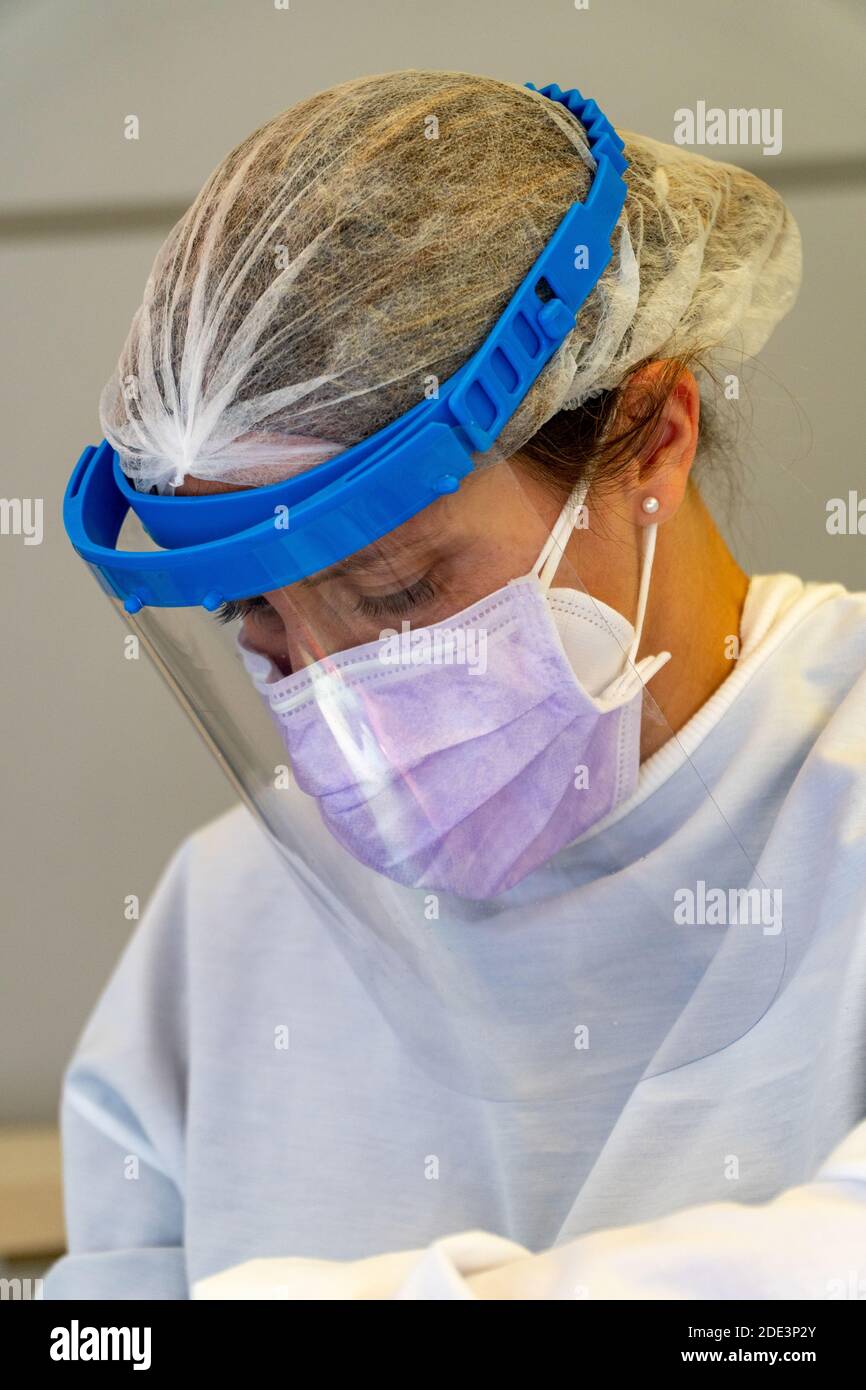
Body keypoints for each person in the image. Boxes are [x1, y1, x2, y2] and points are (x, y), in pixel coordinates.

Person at [46, 70, 866, 1300]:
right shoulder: (221, 930)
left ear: (653, 432)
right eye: (254, 618)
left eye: (395, 593)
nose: (340, 701)